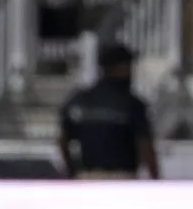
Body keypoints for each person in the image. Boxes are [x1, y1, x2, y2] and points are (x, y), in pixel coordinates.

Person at [59, 44, 160, 180]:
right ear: (122, 67)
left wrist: (72, 171)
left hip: (86, 178)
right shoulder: (132, 103)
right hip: (122, 178)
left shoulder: (79, 100)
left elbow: (63, 141)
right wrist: (155, 178)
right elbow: (145, 146)